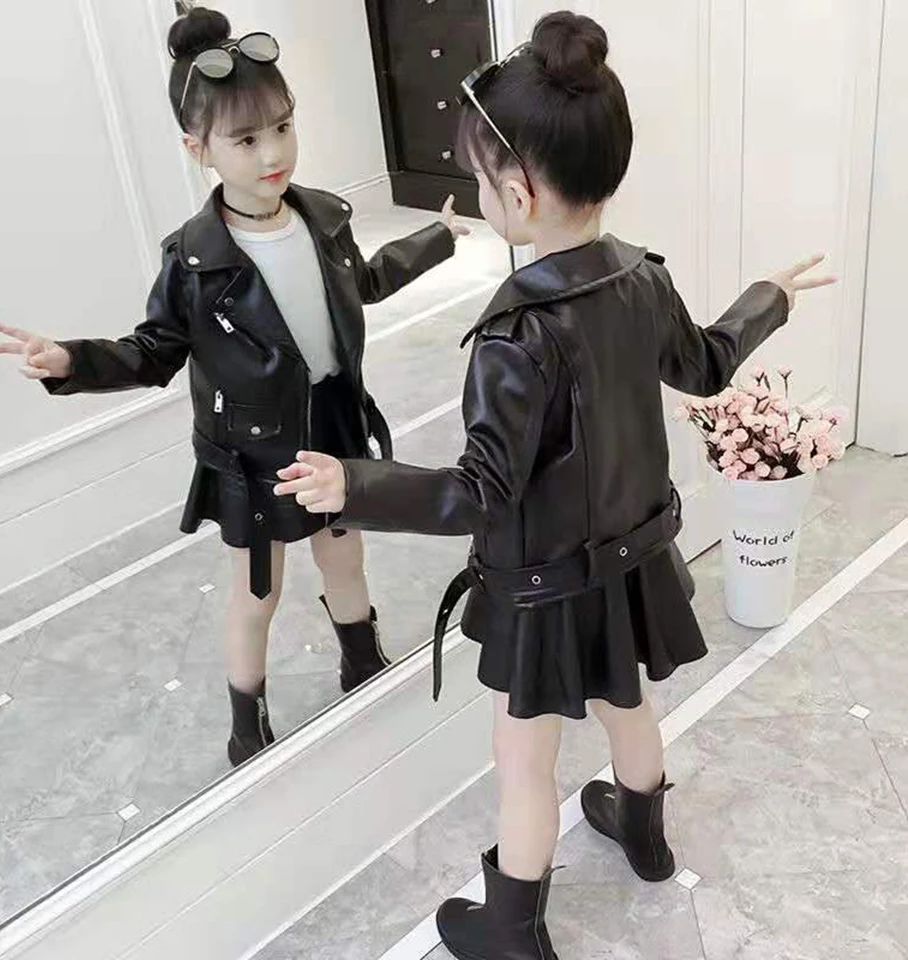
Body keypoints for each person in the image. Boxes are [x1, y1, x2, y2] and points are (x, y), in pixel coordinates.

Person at [274, 11, 835, 958]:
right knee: (629, 700)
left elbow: (477, 494)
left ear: (519, 193)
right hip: (633, 557)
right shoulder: (643, 278)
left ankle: (512, 927)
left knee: (524, 759)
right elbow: (705, 364)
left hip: (541, 587)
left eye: (480, 180)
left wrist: (354, 486)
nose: (479, 195)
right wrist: (765, 299)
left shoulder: (514, 336)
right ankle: (645, 837)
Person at [0, 6, 466, 769]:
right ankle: (247, 718)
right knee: (257, 592)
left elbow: (365, 281)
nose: (273, 152)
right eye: (245, 139)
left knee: (344, 558)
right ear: (197, 148)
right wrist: (71, 361)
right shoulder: (194, 259)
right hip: (254, 450)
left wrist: (436, 237)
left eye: (283, 127)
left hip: (333, 424)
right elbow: (153, 351)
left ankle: (360, 660)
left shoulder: (321, 218)